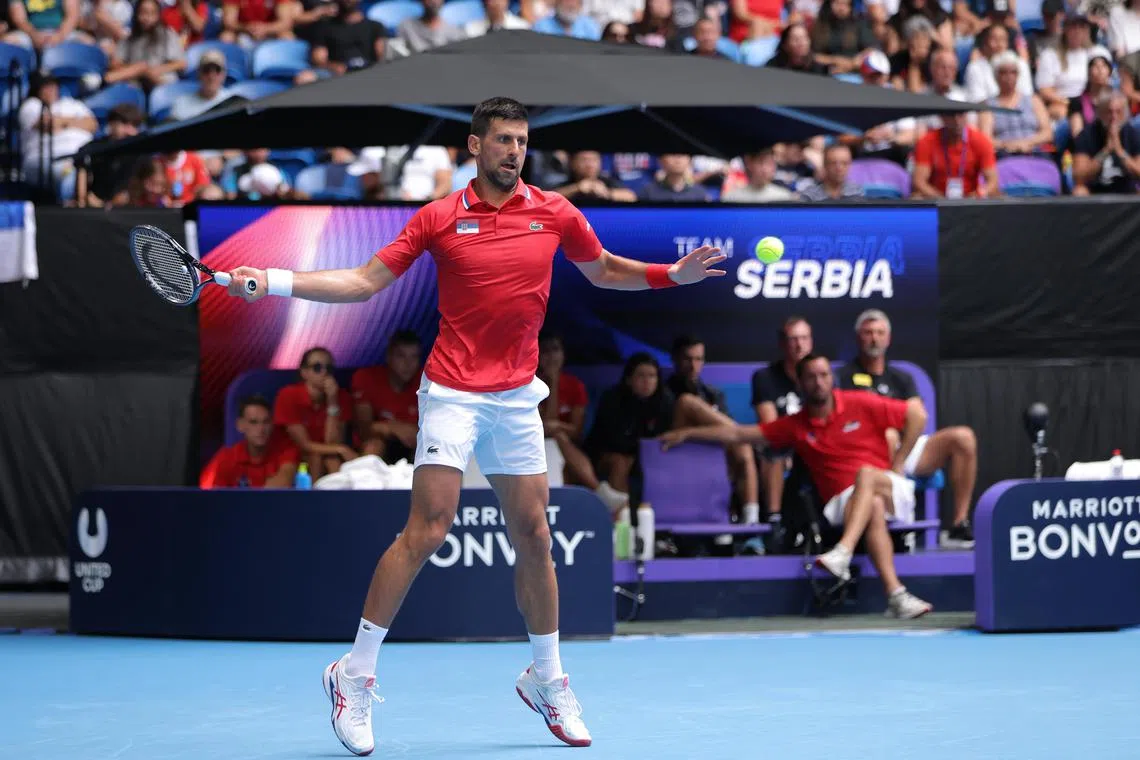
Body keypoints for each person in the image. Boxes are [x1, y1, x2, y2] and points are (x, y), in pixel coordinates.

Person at [221, 96, 725, 756]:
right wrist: (276, 282)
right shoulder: (437, 218)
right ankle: (354, 673)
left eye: (522, 140)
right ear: (474, 146)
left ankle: (547, 679)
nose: (515, 150)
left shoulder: (554, 212)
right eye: (503, 140)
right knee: (427, 529)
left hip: (517, 397)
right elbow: (363, 280)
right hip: (454, 394)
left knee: (536, 536)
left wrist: (670, 276)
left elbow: (603, 269)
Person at [662, 354, 935, 619]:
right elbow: (738, 433)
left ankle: (843, 551)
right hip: (844, 504)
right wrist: (687, 432)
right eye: (812, 377)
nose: (819, 382)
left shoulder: (860, 402)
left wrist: (899, 462)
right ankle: (896, 595)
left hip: (889, 487)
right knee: (871, 506)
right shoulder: (795, 425)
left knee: (865, 475)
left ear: (833, 378)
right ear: (801, 383)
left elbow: (917, 415)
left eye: (824, 375)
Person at [836, 309, 978, 548]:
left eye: (880, 333)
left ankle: (959, 524)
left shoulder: (901, 378)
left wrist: (901, 444)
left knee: (964, 437)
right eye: (868, 333)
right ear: (858, 337)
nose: (874, 338)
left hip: (905, 448)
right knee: (887, 433)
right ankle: (900, 526)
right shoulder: (844, 377)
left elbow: (917, 413)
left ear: (888, 338)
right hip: (866, 453)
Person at [273, 346, 358, 480]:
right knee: (316, 458)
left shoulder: (341, 397)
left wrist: (332, 401)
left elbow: (332, 441)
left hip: (327, 453)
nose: (324, 372)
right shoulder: (288, 395)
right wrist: (341, 449)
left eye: (329, 368)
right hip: (293, 455)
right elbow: (304, 444)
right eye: (317, 367)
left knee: (333, 461)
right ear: (304, 372)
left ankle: (339, 499)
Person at [351, 330, 422, 465]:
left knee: (432, 448)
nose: (408, 363)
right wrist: (391, 428)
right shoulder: (366, 378)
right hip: (380, 444)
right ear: (389, 357)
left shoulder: (427, 381)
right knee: (373, 447)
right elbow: (364, 430)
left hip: (415, 445)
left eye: (414, 357)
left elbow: (437, 428)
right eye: (401, 356)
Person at [200, 395, 300, 488]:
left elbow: (284, 481)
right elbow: (210, 495)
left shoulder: (286, 451)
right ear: (240, 425)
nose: (261, 429)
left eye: (266, 422)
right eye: (253, 422)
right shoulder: (226, 457)